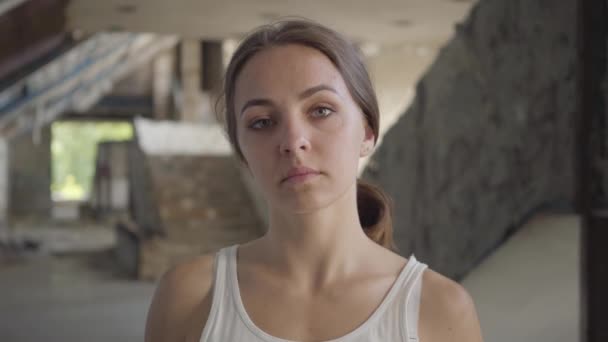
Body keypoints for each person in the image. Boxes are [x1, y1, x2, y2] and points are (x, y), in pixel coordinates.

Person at [145, 19, 483, 342]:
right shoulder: (189, 296)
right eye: (262, 122)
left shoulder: (440, 309)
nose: (293, 141)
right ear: (242, 152)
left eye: (321, 110)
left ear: (367, 131)